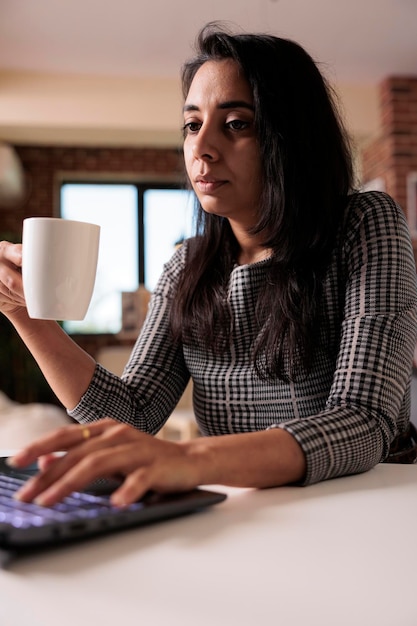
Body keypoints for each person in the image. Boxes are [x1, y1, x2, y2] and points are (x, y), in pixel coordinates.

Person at [1, 22, 417, 508]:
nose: (201, 148)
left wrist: (192, 459)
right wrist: (25, 314)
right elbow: (131, 414)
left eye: (237, 123)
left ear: (292, 137)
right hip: (248, 510)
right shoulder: (187, 268)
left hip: (374, 507)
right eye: (192, 124)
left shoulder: (364, 224)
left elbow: (364, 419)